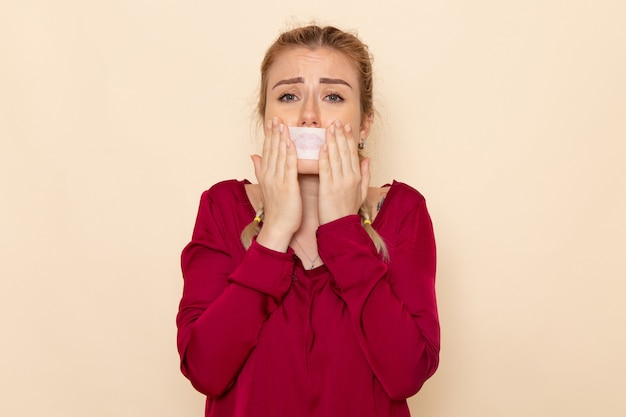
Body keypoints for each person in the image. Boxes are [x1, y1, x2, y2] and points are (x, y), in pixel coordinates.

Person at [176, 24, 440, 417]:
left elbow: (407, 374)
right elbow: (205, 370)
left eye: (333, 96)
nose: (309, 116)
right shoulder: (222, 207)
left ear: (364, 123)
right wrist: (276, 231)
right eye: (288, 96)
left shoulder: (404, 212)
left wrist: (343, 230)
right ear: (266, 117)